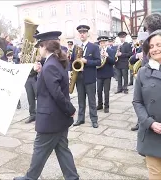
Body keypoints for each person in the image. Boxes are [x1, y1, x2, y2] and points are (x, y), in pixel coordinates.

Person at [14, 31, 79, 180]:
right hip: (58, 118)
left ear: (45, 47)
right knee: (62, 149)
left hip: (51, 118)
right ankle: (72, 177)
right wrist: (40, 73)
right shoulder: (54, 62)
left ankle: (30, 178)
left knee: (40, 149)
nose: (38, 49)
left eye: (39, 46)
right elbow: (50, 88)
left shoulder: (50, 65)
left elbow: (56, 93)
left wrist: (70, 109)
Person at [132, 30, 161, 180]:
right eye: (151, 46)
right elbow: (137, 101)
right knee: (154, 174)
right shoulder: (143, 72)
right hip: (151, 132)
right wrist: (150, 123)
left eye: (159, 45)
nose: (155, 49)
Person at [72, 25, 101, 128]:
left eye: (84, 32)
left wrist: (87, 61)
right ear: (78, 34)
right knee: (80, 100)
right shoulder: (76, 47)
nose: (82, 34)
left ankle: (94, 120)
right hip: (79, 78)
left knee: (92, 101)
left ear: (87, 34)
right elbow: (72, 61)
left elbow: (98, 62)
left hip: (90, 78)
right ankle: (81, 119)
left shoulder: (94, 47)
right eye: (80, 32)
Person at [96, 36, 116, 113]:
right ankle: (100, 104)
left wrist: (107, 56)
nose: (103, 44)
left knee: (106, 91)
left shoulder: (111, 51)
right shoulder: (97, 51)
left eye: (104, 42)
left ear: (107, 43)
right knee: (99, 90)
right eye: (101, 43)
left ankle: (106, 106)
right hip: (99, 73)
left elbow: (113, 62)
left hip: (107, 73)